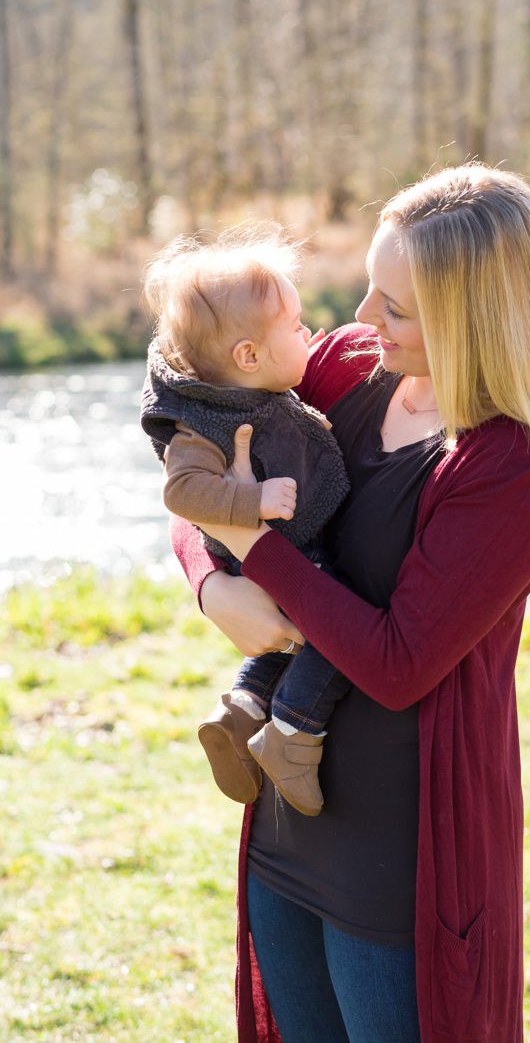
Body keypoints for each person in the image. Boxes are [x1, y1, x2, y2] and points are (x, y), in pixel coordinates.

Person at [170, 164, 530, 1042]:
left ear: (477, 320)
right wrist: (213, 584)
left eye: (396, 306)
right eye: (372, 286)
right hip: (286, 813)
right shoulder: (346, 373)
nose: (364, 317)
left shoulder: (515, 468)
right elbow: (191, 465)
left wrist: (256, 547)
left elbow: (398, 662)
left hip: (406, 856)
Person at [140, 228, 354, 817]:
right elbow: (182, 491)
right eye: (297, 327)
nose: (310, 334)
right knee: (338, 634)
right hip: (267, 552)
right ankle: (293, 734)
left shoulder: (259, 391)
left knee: (287, 635)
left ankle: (242, 709)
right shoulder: (201, 424)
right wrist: (252, 503)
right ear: (249, 356)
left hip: (279, 550)